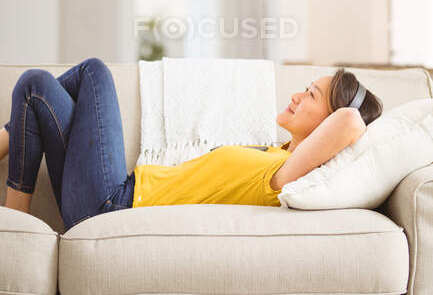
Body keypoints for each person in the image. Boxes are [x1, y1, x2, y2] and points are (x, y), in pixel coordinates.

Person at [0, 59, 383, 231]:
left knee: (93, 71)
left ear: (327, 121)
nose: (298, 95)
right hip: (114, 189)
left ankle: (15, 218)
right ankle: (17, 215)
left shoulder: (286, 179)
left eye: (312, 95)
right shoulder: (275, 155)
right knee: (36, 86)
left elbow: (350, 121)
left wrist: (349, 110)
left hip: (111, 204)